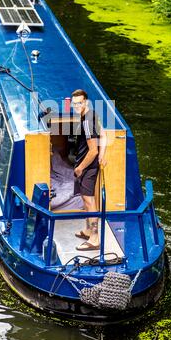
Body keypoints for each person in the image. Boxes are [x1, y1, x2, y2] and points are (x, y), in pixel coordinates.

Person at [71, 89, 107, 250]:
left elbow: (93, 151)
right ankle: (87, 230)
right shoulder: (92, 114)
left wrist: (80, 168)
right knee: (87, 200)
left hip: (87, 167)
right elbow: (104, 135)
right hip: (90, 164)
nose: (76, 106)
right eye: (74, 103)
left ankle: (94, 238)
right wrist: (103, 155)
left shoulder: (87, 122)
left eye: (79, 103)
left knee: (89, 201)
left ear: (85, 102)